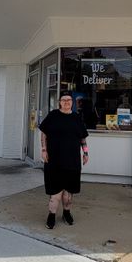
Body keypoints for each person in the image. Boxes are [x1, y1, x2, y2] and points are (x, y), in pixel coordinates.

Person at [39, 91, 89, 229]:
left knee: (68, 193)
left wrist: (85, 153)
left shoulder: (76, 118)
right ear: (59, 102)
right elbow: (44, 133)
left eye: (69, 100)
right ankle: (51, 215)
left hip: (72, 161)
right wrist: (44, 149)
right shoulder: (53, 115)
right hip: (54, 161)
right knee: (55, 193)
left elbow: (82, 138)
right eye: (64, 100)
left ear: (72, 103)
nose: (66, 102)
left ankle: (66, 213)